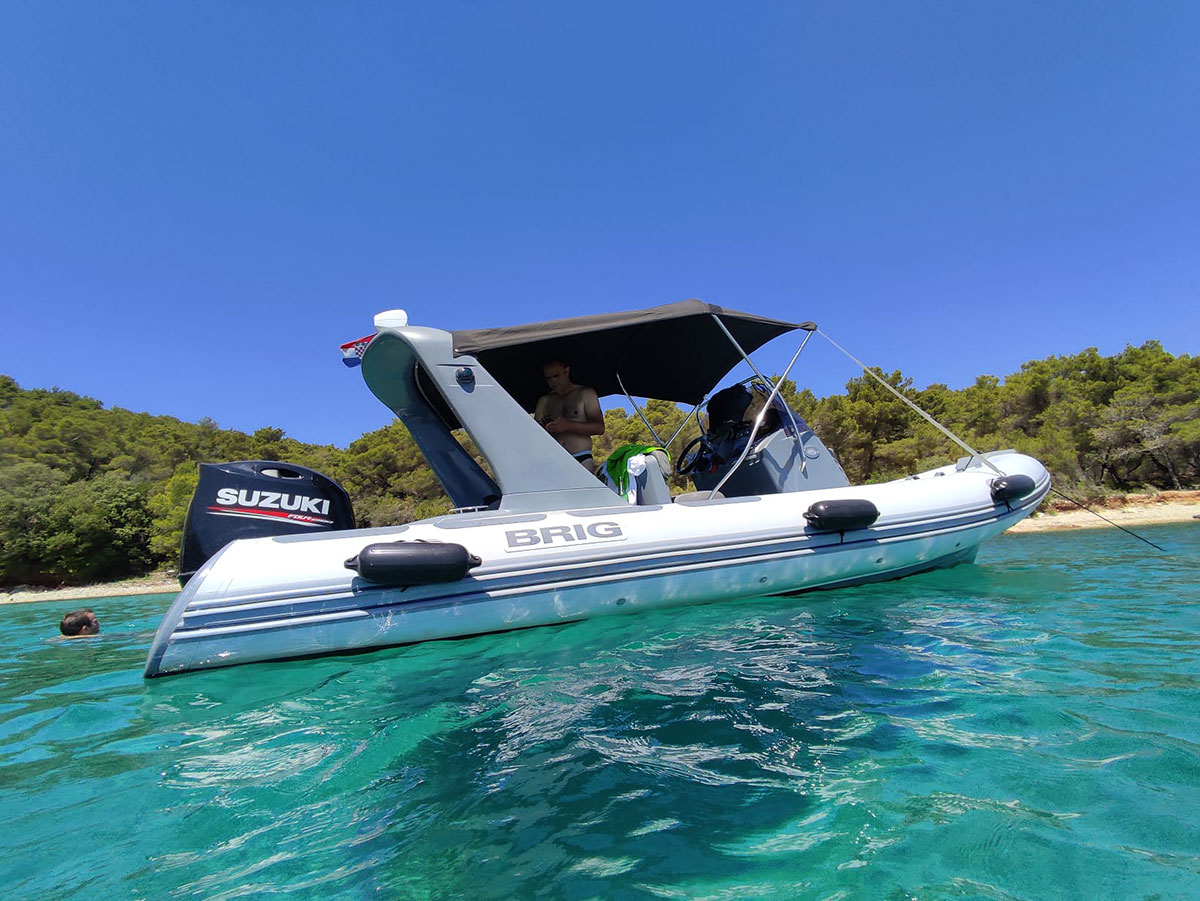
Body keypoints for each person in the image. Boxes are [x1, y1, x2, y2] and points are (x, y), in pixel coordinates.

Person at [534, 359, 605, 472]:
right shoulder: (544, 400)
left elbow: (599, 427)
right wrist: (546, 427)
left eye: (556, 376)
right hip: (553, 459)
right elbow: (535, 434)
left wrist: (568, 425)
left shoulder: (585, 393)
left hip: (581, 456)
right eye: (548, 378)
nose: (553, 382)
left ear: (566, 371)